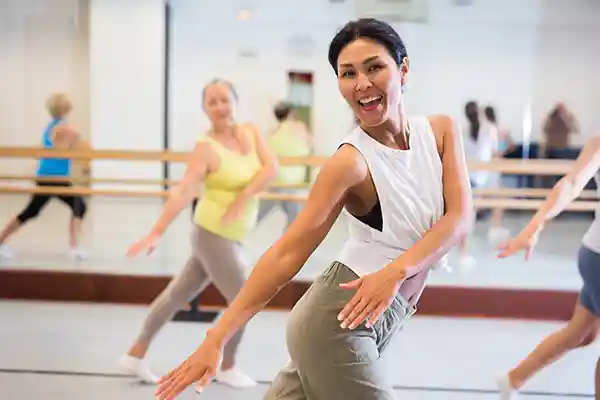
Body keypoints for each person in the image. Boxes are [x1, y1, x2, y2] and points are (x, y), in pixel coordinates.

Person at [155, 18, 472, 400]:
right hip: (337, 325)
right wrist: (216, 337)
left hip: (382, 311)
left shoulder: (440, 131)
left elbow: (460, 218)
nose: (362, 84)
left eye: (374, 67)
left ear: (403, 70)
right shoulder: (350, 163)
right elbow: (287, 253)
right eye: (348, 73)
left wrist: (396, 272)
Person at [119, 79, 277, 388]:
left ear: (235, 101)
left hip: (230, 234)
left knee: (177, 294)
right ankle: (227, 365)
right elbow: (183, 191)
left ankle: (135, 353)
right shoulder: (206, 148)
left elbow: (271, 168)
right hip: (212, 234)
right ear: (205, 109)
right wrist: (155, 232)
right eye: (212, 102)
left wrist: (242, 197)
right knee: (244, 300)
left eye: (224, 99)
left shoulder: (251, 131)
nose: (219, 106)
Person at [495, 133, 600, 399]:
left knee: (582, 333)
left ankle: (512, 380)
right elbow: (571, 183)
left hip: (593, 254)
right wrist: (536, 224)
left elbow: (571, 182)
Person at [0, 93, 87, 261]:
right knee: (76, 206)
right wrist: (75, 142)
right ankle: (74, 248)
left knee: (36, 211)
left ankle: (75, 247)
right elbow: (73, 145)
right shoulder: (63, 127)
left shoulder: (52, 125)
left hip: (53, 176)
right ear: (65, 109)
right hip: (53, 177)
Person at [458, 100, 503, 268]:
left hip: (465, 175)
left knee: (463, 214)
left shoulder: (462, 130)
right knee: (469, 216)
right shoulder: (489, 129)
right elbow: (496, 151)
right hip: (479, 178)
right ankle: (463, 253)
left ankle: (462, 253)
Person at [256, 101, 313, 231]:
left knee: (258, 213)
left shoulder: (272, 133)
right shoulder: (299, 127)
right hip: (292, 182)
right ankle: (288, 243)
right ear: (291, 113)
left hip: (273, 179)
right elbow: (310, 145)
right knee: (295, 219)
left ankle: (238, 233)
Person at [483, 105, 512, 242]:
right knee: (498, 199)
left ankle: (495, 226)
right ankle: (496, 226)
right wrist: (505, 140)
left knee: (479, 199)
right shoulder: (493, 130)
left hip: (482, 169)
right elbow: (497, 152)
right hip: (492, 168)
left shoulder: (482, 130)